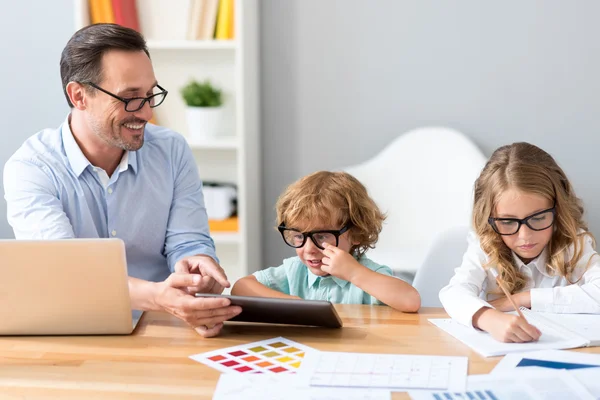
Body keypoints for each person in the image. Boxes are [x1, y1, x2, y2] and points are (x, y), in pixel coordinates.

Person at [3, 23, 241, 337]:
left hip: (161, 328)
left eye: (150, 94)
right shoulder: (32, 168)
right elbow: (65, 273)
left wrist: (196, 266)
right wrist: (159, 296)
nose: (145, 113)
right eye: (130, 98)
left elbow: (188, 240)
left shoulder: (171, 151)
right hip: (74, 331)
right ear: (79, 96)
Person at [439, 142, 600, 343]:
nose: (525, 236)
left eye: (538, 218)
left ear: (558, 210)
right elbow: (453, 293)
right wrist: (488, 318)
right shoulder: (486, 246)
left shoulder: (573, 242)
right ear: (489, 217)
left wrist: (521, 300)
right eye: (507, 221)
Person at [232, 171, 421, 312]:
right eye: (299, 236)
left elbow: (410, 301)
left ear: (355, 232)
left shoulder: (367, 274)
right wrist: (292, 303)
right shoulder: (295, 271)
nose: (309, 249)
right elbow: (241, 287)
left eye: (321, 236)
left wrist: (354, 273)